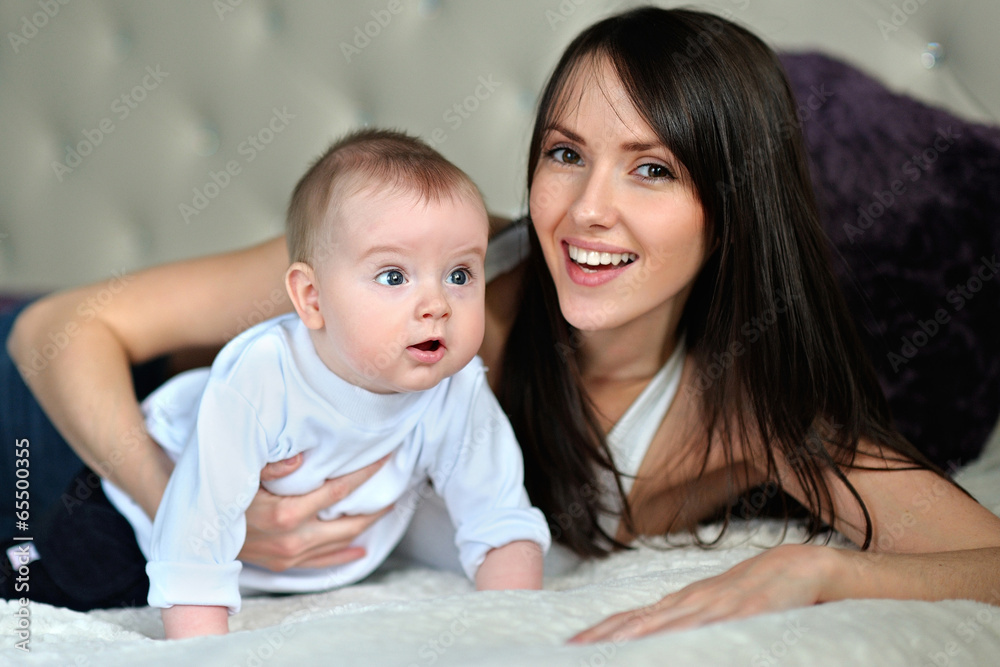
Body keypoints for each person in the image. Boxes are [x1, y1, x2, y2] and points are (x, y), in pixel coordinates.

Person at [5, 6, 1000, 641]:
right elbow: (58, 330)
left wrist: (815, 569)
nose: (586, 209)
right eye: (566, 153)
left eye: (650, 169)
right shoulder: (435, 258)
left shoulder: (752, 417)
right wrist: (191, 501)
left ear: (731, 209)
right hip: (75, 439)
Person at [3, 129, 549, 639]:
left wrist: (510, 627)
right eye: (393, 276)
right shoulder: (262, 377)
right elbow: (198, 530)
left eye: (459, 275)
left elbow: (498, 517)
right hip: (122, 499)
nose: (436, 306)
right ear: (311, 299)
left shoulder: (457, 386)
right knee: (53, 582)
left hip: (253, 563)